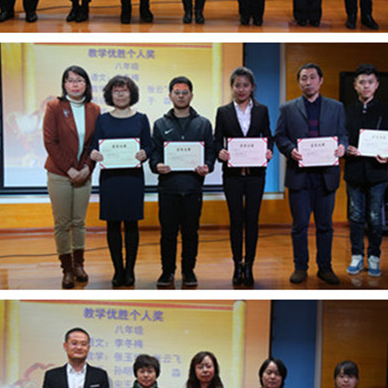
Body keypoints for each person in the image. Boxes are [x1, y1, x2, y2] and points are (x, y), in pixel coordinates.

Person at [274, 62, 348, 286]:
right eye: (304, 78)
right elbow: (280, 136)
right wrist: (290, 150)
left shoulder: (336, 107)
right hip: (299, 177)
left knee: (325, 226)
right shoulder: (288, 109)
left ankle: (325, 267)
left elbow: (343, 134)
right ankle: (300, 267)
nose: (308, 82)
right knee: (299, 226)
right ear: (299, 83)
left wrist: (343, 147)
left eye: (312, 77)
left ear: (321, 81)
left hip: (326, 177)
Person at [149, 76, 215, 288]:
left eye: (185, 92)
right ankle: (167, 271)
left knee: (190, 233)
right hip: (168, 188)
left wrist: (207, 166)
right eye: (176, 92)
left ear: (191, 95)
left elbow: (210, 152)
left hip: (193, 187)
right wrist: (157, 165)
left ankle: (188, 271)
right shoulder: (160, 124)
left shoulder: (203, 124)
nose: (180, 96)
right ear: (170, 96)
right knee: (167, 234)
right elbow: (154, 154)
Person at [90, 76, 151, 288]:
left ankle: (130, 270)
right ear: (110, 95)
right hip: (110, 179)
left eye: (124, 90)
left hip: (133, 178)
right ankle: (117, 270)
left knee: (132, 224)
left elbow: (149, 146)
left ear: (131, 94)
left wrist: (145, 153)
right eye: (116, 91)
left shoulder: (141, 119)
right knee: (113, 225)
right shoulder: (102, 120)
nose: (120, 94)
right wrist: (94, 154)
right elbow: (94, 146)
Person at [213, 66, 273, 286]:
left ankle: (250, 265)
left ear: (252, 87)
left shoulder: (262, 110)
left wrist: (269, 151)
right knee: (236, 220)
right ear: (232, 87)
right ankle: (237, 264)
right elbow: (217, 140)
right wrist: (220, 152)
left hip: (256, 175)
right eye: (237, 85)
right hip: (232, 176)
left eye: (245, 85)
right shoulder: (223, 112)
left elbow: (268, 136)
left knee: (252, 220)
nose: (241, 89)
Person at [43, 66, 100, 288]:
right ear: (64, 84)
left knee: (79, 222)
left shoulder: (94, 109)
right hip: (60, 174)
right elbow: (50, 142)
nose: (75, 84)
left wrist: (87, 168)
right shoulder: (54, 107)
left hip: (84, 173)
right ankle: (66, 269)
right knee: (62, 223)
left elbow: (95, 144)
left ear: (86, 84)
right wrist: (69, 170)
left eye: (79, 80)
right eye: (70, 80)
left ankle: (79, 265)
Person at [344, 65, 388, 278]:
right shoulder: (347, 111)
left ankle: (374, 256)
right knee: (355, 216)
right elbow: (340, 139)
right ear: (355, 85)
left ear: (376, 85)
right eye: (362, 82)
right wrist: (345, 148)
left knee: (375, 217)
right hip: (354, 172)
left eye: (370, 82)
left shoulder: (387, 111)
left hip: (378, 173)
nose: (366, 86)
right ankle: (356, 255)